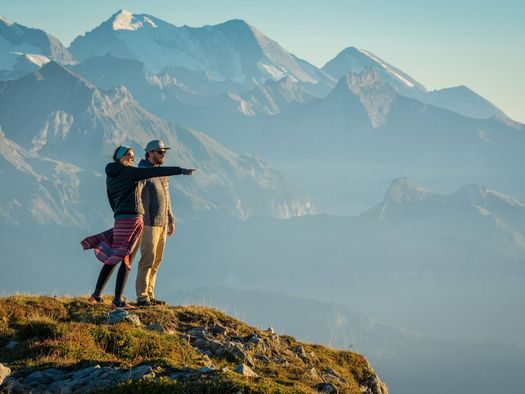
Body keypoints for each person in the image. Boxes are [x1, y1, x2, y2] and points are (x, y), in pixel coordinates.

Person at [81, 145, 194, 309]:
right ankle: (117, 301)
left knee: (114, 257)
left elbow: (111, 199)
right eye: (130, 155)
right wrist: (181, 170)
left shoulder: (110, 176)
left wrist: (120, 213)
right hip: (133, 219)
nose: (133, 158)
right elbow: (155, 172)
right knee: (126, 260)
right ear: (121, 157)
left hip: (120, 219)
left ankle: (96, 295)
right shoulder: (129, 172)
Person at [135, 140, 179, 306]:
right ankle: (142, 297)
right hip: (148, 222)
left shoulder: (162, 173)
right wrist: (139, 216)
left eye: (164, 152)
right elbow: (137, 195)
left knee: (157, 260)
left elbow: (167, 198)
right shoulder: (142, 171)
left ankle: (150, 294)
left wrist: (171, 219)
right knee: (147, 259)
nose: (163, 155)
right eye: (160, 152)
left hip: (161, 222)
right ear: (150, 153)